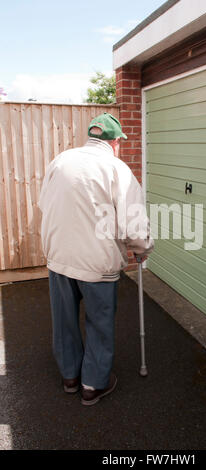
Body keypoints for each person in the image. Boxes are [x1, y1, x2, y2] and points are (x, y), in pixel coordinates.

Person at [38, 112, 154, 406]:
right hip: (97, 262)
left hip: (59, 258)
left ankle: (70, 377)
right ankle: (92, 384)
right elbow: (133, 222)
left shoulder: (60, 161)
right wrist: (142, 248)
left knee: (64, 319)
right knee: (99, 322)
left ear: (91, 136)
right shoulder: (117, 168)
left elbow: (44, 203)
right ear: (115, 141)